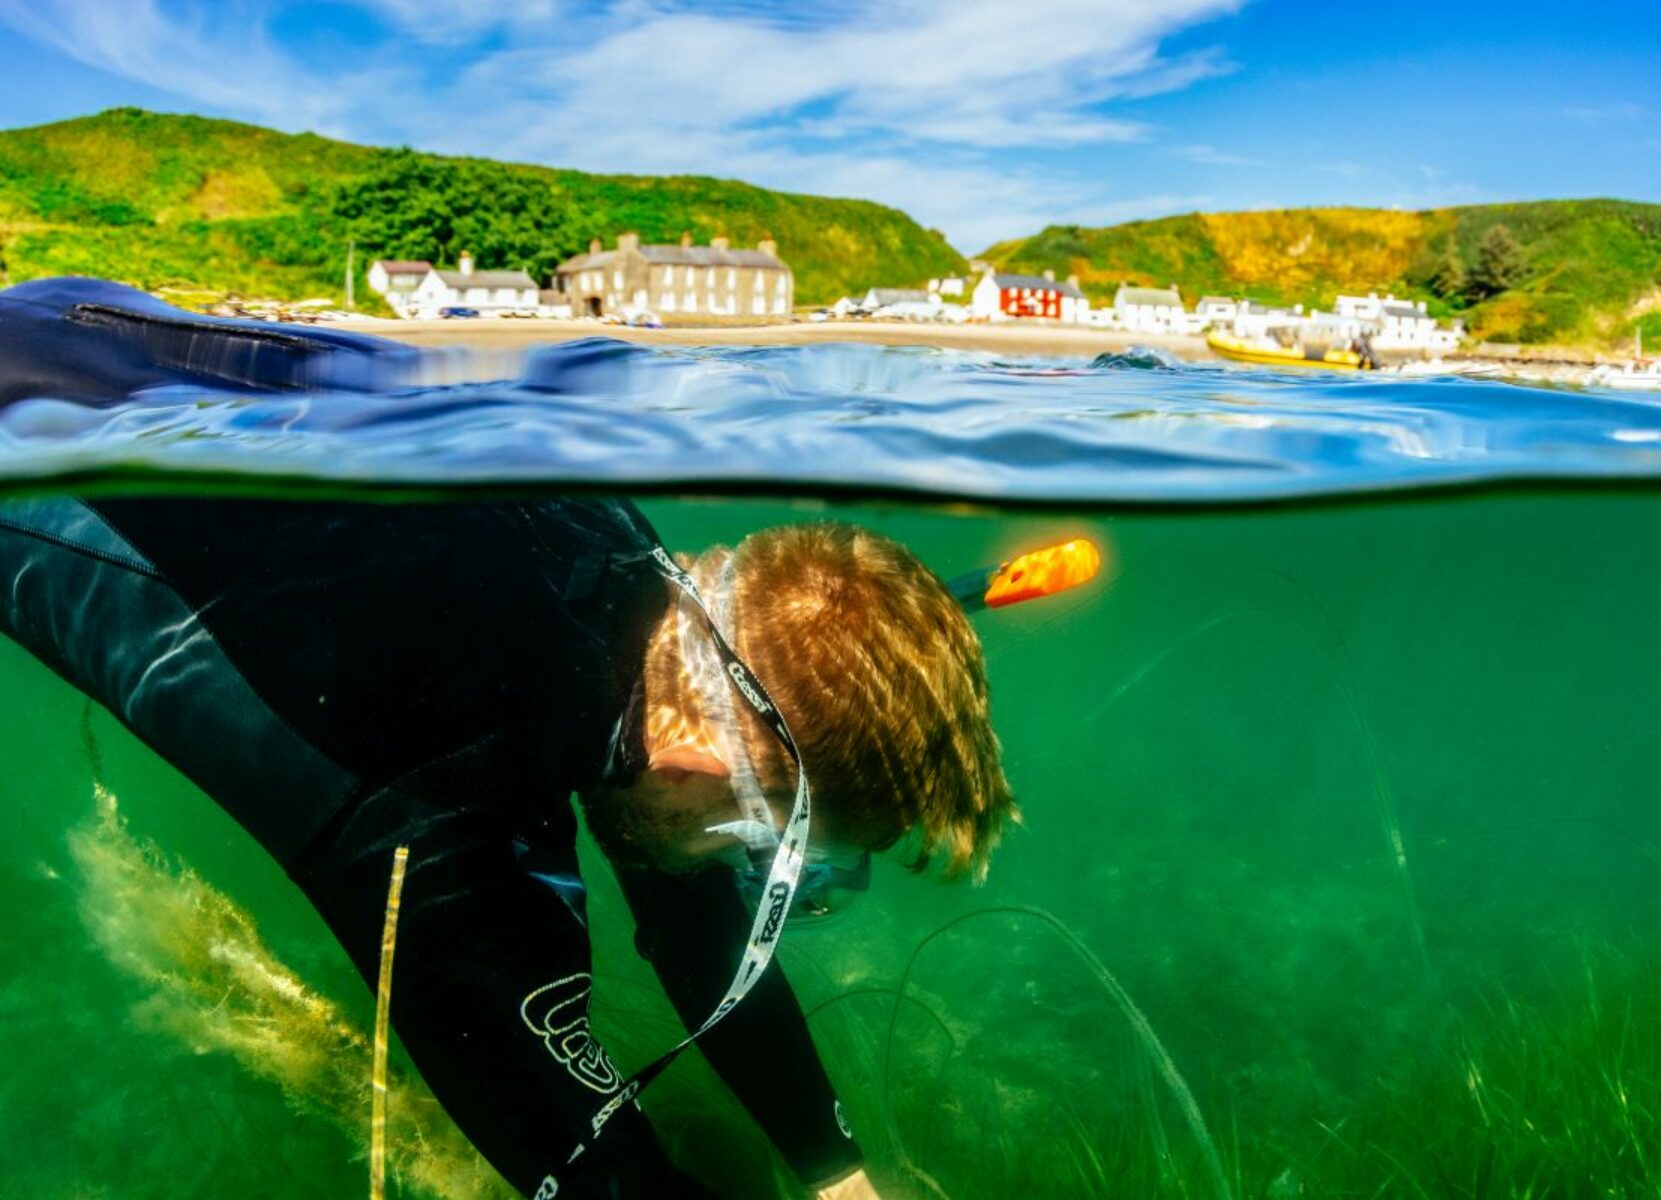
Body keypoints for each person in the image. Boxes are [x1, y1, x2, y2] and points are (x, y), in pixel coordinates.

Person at [0, 279, 1018, 1198]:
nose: (741, 876)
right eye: (765, 849)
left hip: (88, 322)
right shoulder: (427, 769)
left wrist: (834, 1174)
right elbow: (589, 1170)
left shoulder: (669, 606)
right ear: (700, 764)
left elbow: (688, 899)